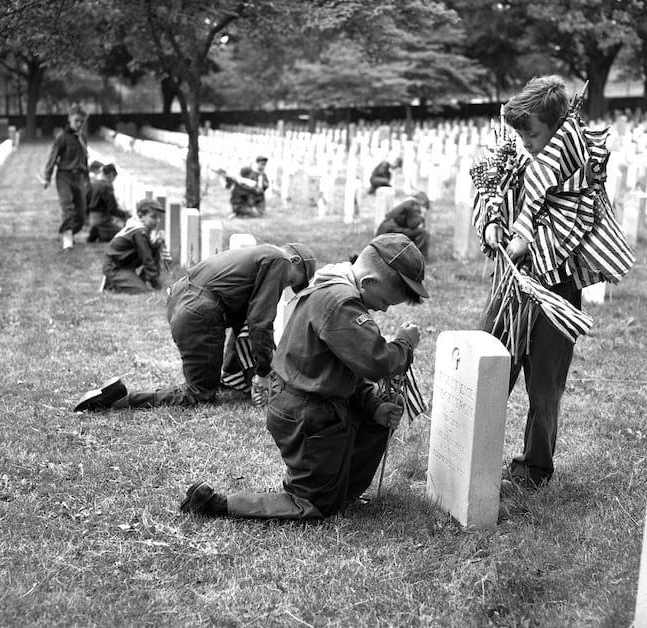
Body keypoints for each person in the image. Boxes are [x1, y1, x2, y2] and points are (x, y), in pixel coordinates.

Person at [179, 233, 426, 520]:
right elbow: (377, 362)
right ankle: (216, 503)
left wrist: (374, 407)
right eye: (385, 301)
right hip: (308, 415)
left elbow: (344, 368)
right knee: (315, 504)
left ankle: (334, 483)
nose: (383, 309)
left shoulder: (332, 286)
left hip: (310, 405)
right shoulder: (341, 303)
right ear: (368, 282)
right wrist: (405, 343)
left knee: (343, 485)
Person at [473, 75, 633, 492]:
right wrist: (492, 223)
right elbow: (497, 192)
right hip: (509, 283)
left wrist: (524, 238)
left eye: (533, 132)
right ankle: (472, 454)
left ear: (558, 126)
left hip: (555, 288)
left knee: (545, 382)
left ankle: (535, 466)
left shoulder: (576, 161)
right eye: (521, 133)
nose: (526, 140)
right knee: (490, 365)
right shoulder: (521, 155)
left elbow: (561, 215)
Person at [74, 242, 317, 412]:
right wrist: (264, 373)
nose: (285, 285)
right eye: (292, 280)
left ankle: (229, 378)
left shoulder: (259, 255)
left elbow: (245, 320)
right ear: (293, 261)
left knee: (207, 381)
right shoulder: (280, 261)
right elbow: (259, 322)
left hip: (183, 299)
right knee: (199, 393)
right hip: (200, 313)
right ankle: (119, 401)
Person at [43, 104, 89, 250]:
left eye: (82, 121)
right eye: (76, 121)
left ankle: (67, 232)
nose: (79, 124)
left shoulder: (83, 138)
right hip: (64, 176)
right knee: (67, 207)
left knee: (81, 214)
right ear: (69, 119)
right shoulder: (62, 138)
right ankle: (67, 240)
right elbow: (53, 156)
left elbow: (85, 159)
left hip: (79, 178)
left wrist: (87, 178)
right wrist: (47, 177)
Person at [100, 198, 164, 293]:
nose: (158, 221)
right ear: (141, 216)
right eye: (153, 217)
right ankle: (111, 283)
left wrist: (157, 244)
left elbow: (149, 253)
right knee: (140, 290)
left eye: (159, 217)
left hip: (126, 265)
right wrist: (157, 285)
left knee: (155, 248)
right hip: (114, 266)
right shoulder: (139, 232)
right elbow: (147, 259)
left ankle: (139, 280)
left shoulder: (141, 229)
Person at [375, 191, 430, 260]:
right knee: (423, 232)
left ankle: (410, 256)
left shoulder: (408, 203)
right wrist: (421, 217)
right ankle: (420, 259)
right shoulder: (414, 205)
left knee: (415, 233)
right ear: (423, 204)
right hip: (391, 231)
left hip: (385, 231)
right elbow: (413, 224)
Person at [87, 164, 128, 242]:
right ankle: (100, 231)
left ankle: (98, 231)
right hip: (102, 219)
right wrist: (125, 215)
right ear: (112, 174)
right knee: (122, 234)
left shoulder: (93, 183)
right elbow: (112, 209)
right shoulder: (106, 186)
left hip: (91, 217)